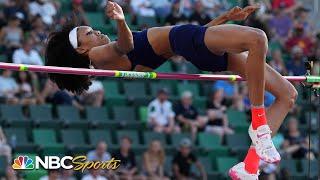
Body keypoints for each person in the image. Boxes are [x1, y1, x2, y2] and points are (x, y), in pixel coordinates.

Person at [45, 2, 298, 179]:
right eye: (89, 32)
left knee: (287, 95)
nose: (97, 31)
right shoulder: (99, 55)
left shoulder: (104, 54)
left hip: (188, 41)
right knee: (257, 39)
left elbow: (194, 40)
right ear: (81, 49)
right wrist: (121, 20)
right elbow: (127, 43)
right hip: (185, 39)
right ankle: (259, 123)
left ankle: (250, 167)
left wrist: (225, 19)